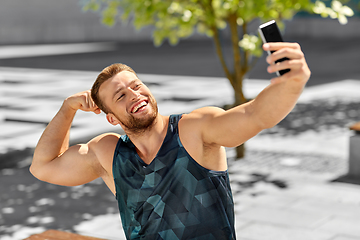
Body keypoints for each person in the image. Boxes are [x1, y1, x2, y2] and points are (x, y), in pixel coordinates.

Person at [30, 42, 310, 240]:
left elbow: (254, 115)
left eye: (136, 85)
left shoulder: (193, 129)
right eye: (120, 96)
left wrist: (293, 82)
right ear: (112, 119)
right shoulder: (108, 152)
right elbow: (42, 166)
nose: (134, 95)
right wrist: (67, 108)